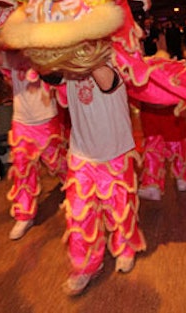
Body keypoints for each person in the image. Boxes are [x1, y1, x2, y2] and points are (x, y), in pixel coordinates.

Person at [58, 61, 146, 297]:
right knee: (79, 215)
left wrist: (82, 50)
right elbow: (50, 76)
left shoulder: (114, 55)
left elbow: (107, 82)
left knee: (120, 208)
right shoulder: (67, 55)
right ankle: (84, 266)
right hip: (82, 153)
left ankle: (125, 248)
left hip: (115, 150)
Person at [0, 50, 68, 241]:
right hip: (22, 122)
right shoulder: (13, 58)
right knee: (22, 170)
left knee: (57, 162)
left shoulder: (47, 56)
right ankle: (24, 215)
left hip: (46, 120)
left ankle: (72, 190)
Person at [135, 100, 186, 200]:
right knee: (175, 138)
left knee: (153, 142)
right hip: (171, 102)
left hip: (149, 102)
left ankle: (153, 185)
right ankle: (182, 178)